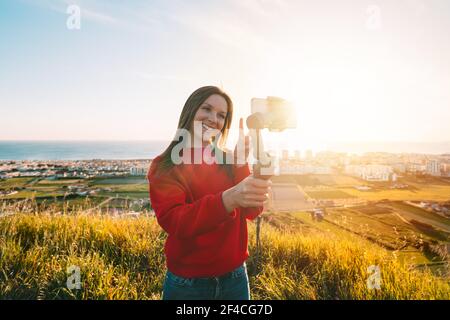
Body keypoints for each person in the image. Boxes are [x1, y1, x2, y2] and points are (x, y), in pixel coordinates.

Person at [147, 86, 271, 300]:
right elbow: (175, 221)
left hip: (235, 278)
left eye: (222, 115)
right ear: (191, 110)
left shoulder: (229, 160)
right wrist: (228, 199)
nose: (214, 119)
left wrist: (241, 163)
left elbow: (251, 211)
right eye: (207, 109)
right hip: (188, 284)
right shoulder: (166, 165)